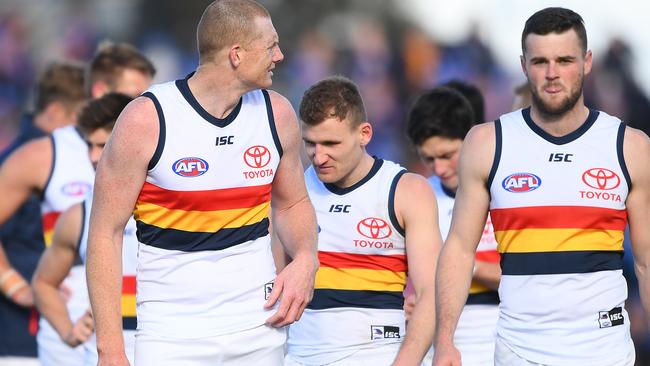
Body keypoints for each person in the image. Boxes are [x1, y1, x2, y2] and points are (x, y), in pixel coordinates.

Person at [86, 1, 318, 365]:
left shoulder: (277, 113)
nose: (281, 55)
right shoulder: (147, 119)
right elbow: (105, 232)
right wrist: (110, 349)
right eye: (271, 45)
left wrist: (306, 258)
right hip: (172, 335)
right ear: (236, 54)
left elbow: (291, 204)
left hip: (260, 329)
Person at [433, 7, 649, 366]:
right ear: (523, 65)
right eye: (540, 61)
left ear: (587, 62)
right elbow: (458, 250)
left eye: (565, 60)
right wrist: (444, 341)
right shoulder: (488, 143)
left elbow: (644, 261)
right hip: (519, 350)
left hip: (603, 349)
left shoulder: (629, 146)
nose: (552, 74)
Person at [0, 42, 155, 366]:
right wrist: (15, 286)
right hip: (69, 337)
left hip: (143, 330)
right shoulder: (46, 152)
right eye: (135, 93)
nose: (145, 104)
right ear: (101, 90)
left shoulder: (155, 146)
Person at [282, 76, 440, 365]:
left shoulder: (407, 191)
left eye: (331, 143)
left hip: (378, 355)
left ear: (364, 134)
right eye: (310, 144)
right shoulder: (290, 192)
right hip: (301, 355)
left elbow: (432, 292)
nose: (319, 157)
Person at [32, 93, 134, 366]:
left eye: (102, 145)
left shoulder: (171, 202)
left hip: (174, 346)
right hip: (104, 356)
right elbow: (43, 283)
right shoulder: (78, 214)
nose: (92, 157)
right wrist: (68, 332)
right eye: (89, 146)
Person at [406, 86, 500, 366]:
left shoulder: (508, 194)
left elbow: (533, 281)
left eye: (447, 155)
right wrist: (405, 301)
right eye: (428, 158)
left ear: (472, 140)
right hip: (434, 343)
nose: (438, 168)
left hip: (500, 334)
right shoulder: (415, 197)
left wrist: (467, 267)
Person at [0, 62, 86, 366]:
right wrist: (17, 287)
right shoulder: (26, 161)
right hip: (21, 335)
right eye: (80, 119)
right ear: (54, 112)